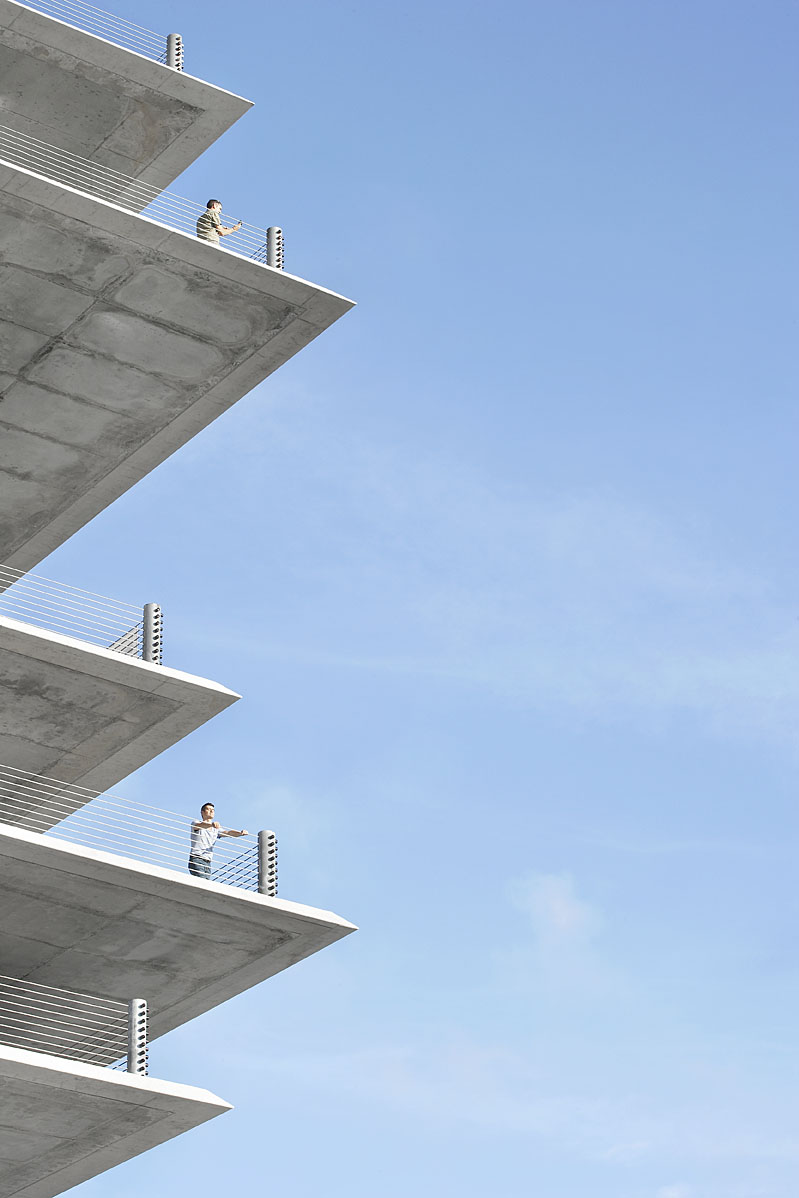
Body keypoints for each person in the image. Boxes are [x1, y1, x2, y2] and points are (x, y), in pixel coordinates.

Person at [188, 802, 248, 880]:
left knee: (206, 885)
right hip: (197, 858)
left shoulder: (215, 829)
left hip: (208, 862)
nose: (211, 811)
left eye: (213, 810)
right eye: (208, 809)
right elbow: (199, 826)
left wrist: (240, 833)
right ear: (202, 812)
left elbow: (228, 833)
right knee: (203, 883)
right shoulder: (196, 822)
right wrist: (211, 824)